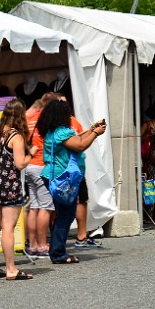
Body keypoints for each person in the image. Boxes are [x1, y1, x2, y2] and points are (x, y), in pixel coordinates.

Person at [37, 99, 106, 264]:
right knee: (65, 215)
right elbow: (80, 145)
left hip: (54, 176)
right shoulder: (61, 131)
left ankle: (57, 250)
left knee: (63, 214)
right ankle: (58, 253)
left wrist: (91, 129)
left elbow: (76, 138)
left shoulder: (51, 131)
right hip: (63, 178)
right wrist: (96, 133)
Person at [0, 98, 35, 280]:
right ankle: (12, 269)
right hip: (11, 186)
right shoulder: (17, 137)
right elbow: (20, 164)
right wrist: (32, 154)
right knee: (8, 228)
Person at [24, 92, 60, 257]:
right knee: (46, 207)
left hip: (29, 165)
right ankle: (42, 244)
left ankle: (32, 244)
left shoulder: (30, 118)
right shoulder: (46, 120)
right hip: (41, 165)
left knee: (34, 207)